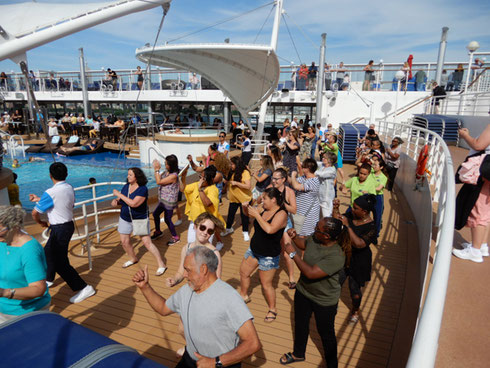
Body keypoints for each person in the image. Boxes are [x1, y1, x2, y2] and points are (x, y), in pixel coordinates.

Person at [132, 246, 261, 367]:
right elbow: (163, 308)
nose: (184, 275)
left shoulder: (229, 297)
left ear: (204, 269)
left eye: (188, 270)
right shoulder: (186, 290)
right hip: (191, 358)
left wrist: (215, 362)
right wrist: (145, 287)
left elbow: (252, 343)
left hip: (220, 364)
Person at [280, 217, 349, 367]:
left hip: (324, 301)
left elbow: (310, 273)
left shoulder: (336, 255)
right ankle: (298, 354)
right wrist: (294, 236)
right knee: (300, 323)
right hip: (303, 291)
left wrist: (293, 255)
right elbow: (304, 244)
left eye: (317, 229)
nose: (314, 230)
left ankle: (332, 364)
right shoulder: (316, 237)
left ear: (327, 236)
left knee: (326, 333)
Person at [29, 162, 95, 303]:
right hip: (67, 226)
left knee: (60, 262)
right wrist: (40, 200)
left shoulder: (50, 192)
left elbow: (35, 213)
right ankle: (49, 279)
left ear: (50, 175)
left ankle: (84, 287)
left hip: (59, 229)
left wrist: (41, 223)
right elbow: (61, 201)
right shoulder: (69, 187)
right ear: (66, 174)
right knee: (49, 253)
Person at [240, 188, 288, 322]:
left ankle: (273, 309)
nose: (262, 200)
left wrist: (257, 215)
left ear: (273, 200)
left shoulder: (282, 213)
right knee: (244, 273)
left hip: (268, 255)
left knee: (266, 285)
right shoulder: (263, 208)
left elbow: (270, 229)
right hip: (254, 250)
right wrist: (245, 208)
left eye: (264, 198)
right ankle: (243, 295)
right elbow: (249, 215)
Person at [0, 206, 51, 323]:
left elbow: (38, 289)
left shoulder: (29, 250)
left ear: (15, 226)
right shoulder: (3, 241)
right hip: (3, 309)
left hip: (26, 313)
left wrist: (4, 292)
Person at [112, 167, 167, 276]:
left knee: (147, 243)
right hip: (125, 218)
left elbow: (134, 203)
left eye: (130, 175)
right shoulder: (126, 187)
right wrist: (116, 202)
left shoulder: (143, 189)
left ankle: (161, 264)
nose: (128, 176)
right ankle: (133, 259)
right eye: (128, 174)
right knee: (124, 242)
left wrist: (118, 195)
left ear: (137, 177)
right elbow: (121, 201)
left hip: (139, 219)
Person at [334, 195, 377, 323]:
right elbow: (337, 219)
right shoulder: (351, 216)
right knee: (336, 284)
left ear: (364, 211)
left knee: (355, 291)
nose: (352, 209)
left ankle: (355, 309)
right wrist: (335, 209)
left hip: (360, 261)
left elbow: (359, 244)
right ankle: (333, 305)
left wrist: (348, 226)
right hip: (344, 257)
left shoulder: (372, 227)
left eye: (355, 208)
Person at [453, 125, 490, 263]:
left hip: (485, 175)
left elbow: (478, 145)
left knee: (478, 210)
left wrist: (465, 136)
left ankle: (475, 251)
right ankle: (482, 246)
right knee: (486, 212)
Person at [181, 164, 225, 244]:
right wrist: (183, 177)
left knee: (204, 246)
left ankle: (219, 242)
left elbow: (207, 203)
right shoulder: (196, 185)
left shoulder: (213, 190)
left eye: (203, 178)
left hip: (206, 224)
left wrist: (200, 189)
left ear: (209, 179)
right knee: (191, 243)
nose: (201, 180)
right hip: (194, 221)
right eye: (200, 177)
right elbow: (182, 189)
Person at [269, 168, 298, 289]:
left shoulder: (289, 191)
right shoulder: (270, 189)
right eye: (273, 178)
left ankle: (291, 278)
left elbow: (294, 210)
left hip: (285, 223)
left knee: (287, 251)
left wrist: (282, 203)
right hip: (271, 222)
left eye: (276, 179)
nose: (274, 181)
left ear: (283, 180)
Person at [151, 155, 181, 245]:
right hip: (163, 200)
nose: (164, 164)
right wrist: (157, 171)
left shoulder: (174, 176)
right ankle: (158, 231)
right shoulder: (166, 172)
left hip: (169, 201)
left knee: (168, 219)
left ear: (170, 165)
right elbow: (158, 178)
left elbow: (158, 182)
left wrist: (156, 169)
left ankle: (175, 237)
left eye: (166, 163)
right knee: (155, 214)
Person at [222, 156, 252, 241]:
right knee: (230, 214)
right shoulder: (231, 172)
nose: (231, 165)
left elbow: (248, 186)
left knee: (244, 216)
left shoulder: (245, 172)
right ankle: (228, 229)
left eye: (232, 164)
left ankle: (245, 232)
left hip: (244, 199)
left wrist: (236, 183)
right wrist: (226, 182)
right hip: (233, 199)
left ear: (237, 164)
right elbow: (230, 182)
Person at [289, 158, 321, 238]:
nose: (301, 167)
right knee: (300, 235)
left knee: (305, 237)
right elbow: (293, 182)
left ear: (308, 168)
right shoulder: (304, 178)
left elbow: (296, 186)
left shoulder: (314, 181)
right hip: (301, 213)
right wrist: (285, 175)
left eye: (303, 166)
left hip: (309, 215)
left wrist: (293, 175)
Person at [371, 156, 387, 242]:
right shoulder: (371, 173)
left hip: (377, 198)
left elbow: (379, 188)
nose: (374, 166)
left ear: (381, 167)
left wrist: (367, 188)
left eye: (376, 165)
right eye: (373, 164)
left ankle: (375, 235)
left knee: (377, 217)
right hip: (369, 196)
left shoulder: (383, 177)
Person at [316, 152, 337, 217]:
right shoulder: (322, 166)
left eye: (325, 158)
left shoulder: (332, 170)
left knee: (326, 216)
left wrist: (311, 171)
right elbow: (314, 163)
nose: (323, 158)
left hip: (327, 198)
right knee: (318, 217)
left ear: (330, 160)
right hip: (319, 196)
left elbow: (321, 174)